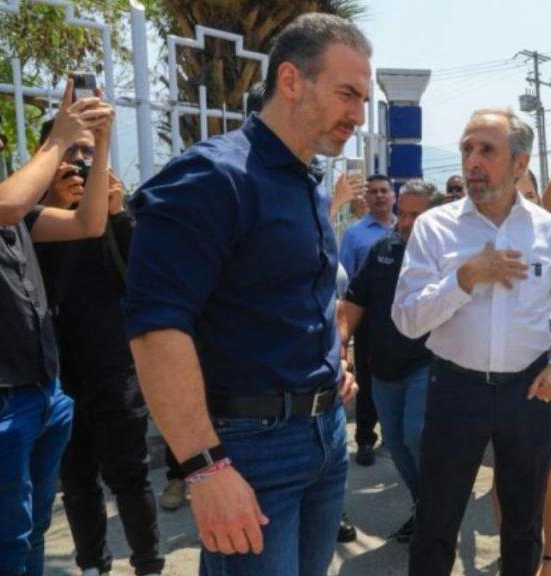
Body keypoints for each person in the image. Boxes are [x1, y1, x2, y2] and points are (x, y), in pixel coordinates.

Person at [123, 14, 365, 575]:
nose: (357, 114)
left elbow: (298, 298)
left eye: (363, 99)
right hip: (251, 450)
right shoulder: (210, 177)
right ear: (290, 81)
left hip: (325, 437)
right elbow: (157, 329)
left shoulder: (306, 184)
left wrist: (334, 360)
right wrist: (204, 468)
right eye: (346, 93)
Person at [393, 108, 551, 576]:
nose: (472, 161)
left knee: (523, 524)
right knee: (436, 521)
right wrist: (463, 278)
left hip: (528, 393)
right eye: (466, 148)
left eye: (487, 150)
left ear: (520, 164)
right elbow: (406, 320)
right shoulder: (435, 227)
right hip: (455, 392)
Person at [0, 85, 114, 576]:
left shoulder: (11, 213)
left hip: (45, 397)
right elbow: (7, 205)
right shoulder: (5, 206)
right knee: (5, 542)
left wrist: (101, 142)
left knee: (33, 529)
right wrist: (58, 139)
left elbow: (89, 223)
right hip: (0, 409)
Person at [34, 119, 163, 576]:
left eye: (88, 153)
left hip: (116, 370)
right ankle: (92, 564)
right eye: (69, 153)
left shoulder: (117, 216)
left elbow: (147, 278)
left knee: (130, 475)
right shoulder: (33, 218)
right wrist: (56, 206)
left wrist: (117, 213)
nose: (79, 163)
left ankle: (148, 563)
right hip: (60, 374)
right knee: (77, 482)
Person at [484, 168, 551, 576]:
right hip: (493, 380)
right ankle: (514, 555)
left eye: (531, 194)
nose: (522, 202)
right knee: (504, 473)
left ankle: (550, 556)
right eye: (514, 194)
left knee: (550, 472)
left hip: (549, 373)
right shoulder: (484, 242)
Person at [337, 179, 434, 543]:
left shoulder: (447, 254)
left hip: (425, 365)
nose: (407, 223)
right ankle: (424, 504)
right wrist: (338, 347)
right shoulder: (383, 249)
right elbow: (353, 304)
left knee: (415, 436)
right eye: (404, 214)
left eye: (417, 215)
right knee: (394, 442)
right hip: (381, 369)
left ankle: (434, 515)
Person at [340, 172, 396, 466]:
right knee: (368, 378)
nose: (378, 196)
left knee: (399, 375)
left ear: (393, 195)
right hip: (369, 319)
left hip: (403, 317)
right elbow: (347, 280)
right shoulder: (355, 234)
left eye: (383, 191)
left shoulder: (408, 228)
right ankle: (364, 438)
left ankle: (394, 436)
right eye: (372, 191)